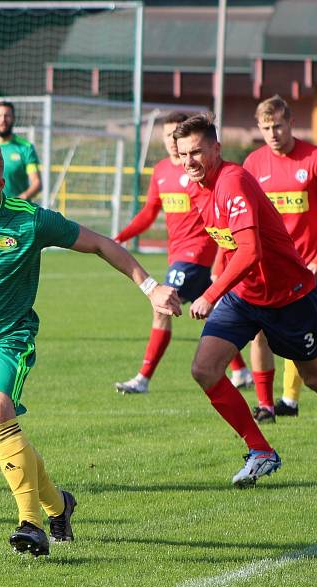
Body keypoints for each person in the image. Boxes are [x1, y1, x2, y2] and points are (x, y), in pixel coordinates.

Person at [0, 136, 181, 556]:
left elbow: (100, 243)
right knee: (2, 439)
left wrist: (149, 287)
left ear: (0, 184)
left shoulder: (30, 221)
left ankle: (30, 525)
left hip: (9, 337)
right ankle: (59, 506)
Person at [173, 113, 317, 487]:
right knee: (204, 369)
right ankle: (261, 451)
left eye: (196, 152)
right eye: (183, 154)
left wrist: (210, 293)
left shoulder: (233, 182)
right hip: (244, 296)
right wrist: (217, 277)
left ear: (216, 148)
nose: (189, 161)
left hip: (289, 297)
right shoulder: (196, 187)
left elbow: (250, 252)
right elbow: (228, 242)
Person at [242, 95, 317, 422]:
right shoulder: (253, 164)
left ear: (291, 124)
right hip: (268, 268)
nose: (273, 133)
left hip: (309, 268)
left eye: (278, 126)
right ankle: (266, 405)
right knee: (259, 333)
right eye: (266, 127)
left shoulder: (316, 158)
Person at [113, 112, 218, 394]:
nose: (172, 141)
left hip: (197, 253)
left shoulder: (197, 169)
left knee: (161, 307)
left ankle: (143, 378)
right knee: (219, 313)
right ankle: (243, 370)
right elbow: (149, 212)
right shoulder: (160, 171)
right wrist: (122, 236)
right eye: (168, 135)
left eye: (177, 135)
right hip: (178, 254)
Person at [0, 100, 42, 200]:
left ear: (13, 118)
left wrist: (19, 200)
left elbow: (36, 183)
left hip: (18, 212)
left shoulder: (26, 148)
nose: (3, 120)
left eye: (7, 115)